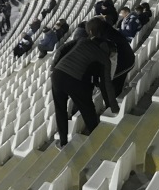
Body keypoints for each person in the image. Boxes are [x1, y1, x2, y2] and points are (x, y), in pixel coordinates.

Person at [50, 18, 119, 149]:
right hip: (75, 79)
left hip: (58, 74)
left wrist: (53, 66)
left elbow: (61, 49)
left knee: (60, 109)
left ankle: (63, 142)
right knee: (88, 110)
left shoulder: (82, 40)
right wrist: (113, 107)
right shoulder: (105, 59)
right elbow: (106, 84)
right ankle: (97, 138)